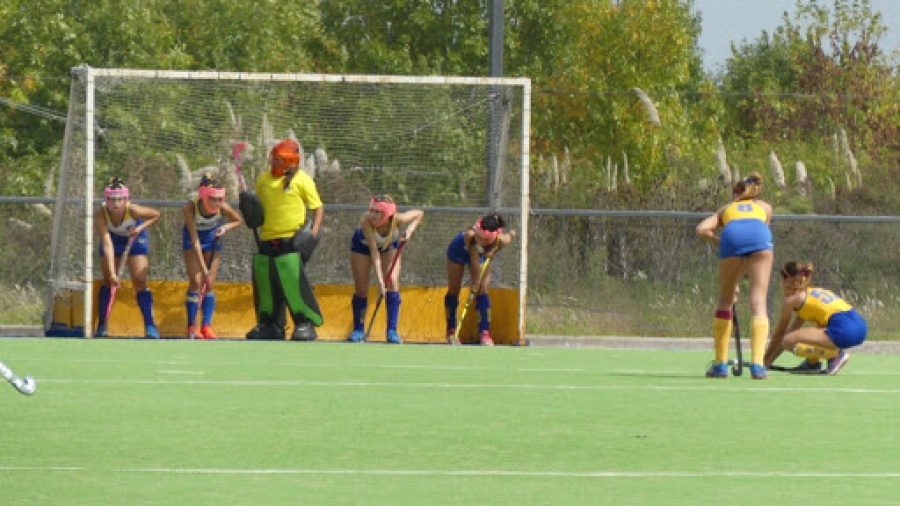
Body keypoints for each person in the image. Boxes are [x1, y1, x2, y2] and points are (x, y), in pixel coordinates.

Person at [241, 139, 324, 341]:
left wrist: (312, 232)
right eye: (273, 158)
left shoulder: (302, 180)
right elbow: (257, 207)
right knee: (267, 285)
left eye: (279, 160)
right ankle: (271, 325)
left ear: (291, 161)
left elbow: (317, 207)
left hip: (291, 240)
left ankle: (305, 322)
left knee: (293, 283)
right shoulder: (263, 180)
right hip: (267, 238)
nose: (274, 163)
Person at [696, 172, 773, 379]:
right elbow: (753, 240)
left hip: (731, 238)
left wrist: (721, 243)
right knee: (759, 301)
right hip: (760, 239)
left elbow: (702, 229)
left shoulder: (726, 210)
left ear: (735, 193)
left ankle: (721, 365)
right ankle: (758, 366)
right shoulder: (765, 208)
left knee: (725, 299)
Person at [763, 261, 866, 376]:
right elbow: (794, 332)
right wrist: (768, 360)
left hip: (844, 329)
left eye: (782, 280)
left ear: (788, 280)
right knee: (805, 333)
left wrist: (763, 361)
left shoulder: (792, 301)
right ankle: (812, 363)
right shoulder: (810, 293)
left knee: (787, 341)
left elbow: (780, 335)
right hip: (859, 325)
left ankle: (835, 356)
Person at [347, 195, 424, 344]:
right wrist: (381, 282)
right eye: (371, 210)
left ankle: (392, 331)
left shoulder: (398, 219)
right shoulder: (366, 222)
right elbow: (374, 253)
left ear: (388, 213)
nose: (372, 215)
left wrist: (410, 230)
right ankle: (358, 329)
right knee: (361, 288)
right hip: (362, 247)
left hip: (389, 246)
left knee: (393, 282)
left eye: (377, 212)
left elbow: (419, 213)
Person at [94, 176, 161, 338]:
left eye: (120, 200)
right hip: (114, 240)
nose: (116, 205)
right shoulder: (101, 215)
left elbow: (155, 215)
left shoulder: (133, 210)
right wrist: (112, 273)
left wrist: (140, 228)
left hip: (135, 238)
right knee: (109, 281)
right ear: (106, 200)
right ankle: (102, 324)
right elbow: (107, 244)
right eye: (111, 200)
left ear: (126, 199)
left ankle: (150, 325)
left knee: (139, 280)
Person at [182, 172, 244, 339]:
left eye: (219, 198)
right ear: (203, 195)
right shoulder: (190, 208)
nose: (216, 203)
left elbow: (238, 220)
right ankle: (192, 326)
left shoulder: (221, 207)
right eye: (212, 198)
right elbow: (194, 239)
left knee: (209, 284)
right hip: (193, 240)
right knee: (196, 282)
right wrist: (203, 267)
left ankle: (206, 326)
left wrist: (225, 228)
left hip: (211, 239)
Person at [445, 212, 516, 346]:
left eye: (485, 240)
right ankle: (451, 330)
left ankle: (484, 332)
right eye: (479, 238)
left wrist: (493, 252)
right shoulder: (470, 236)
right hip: (459, 250)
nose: (481, 241)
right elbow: (475, 259)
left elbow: (512, 234)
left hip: (481, 255)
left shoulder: (502, 240)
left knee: (483, 290)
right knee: (454, 288)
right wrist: (475, 281)